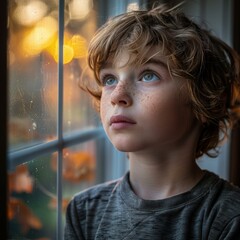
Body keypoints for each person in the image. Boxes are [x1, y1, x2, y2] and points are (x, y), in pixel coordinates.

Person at [64, 3, 240, 239]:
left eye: (148, 75)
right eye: (109, 79)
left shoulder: (228, 217)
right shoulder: (84, 211)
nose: (117, 95)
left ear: (203, 98)